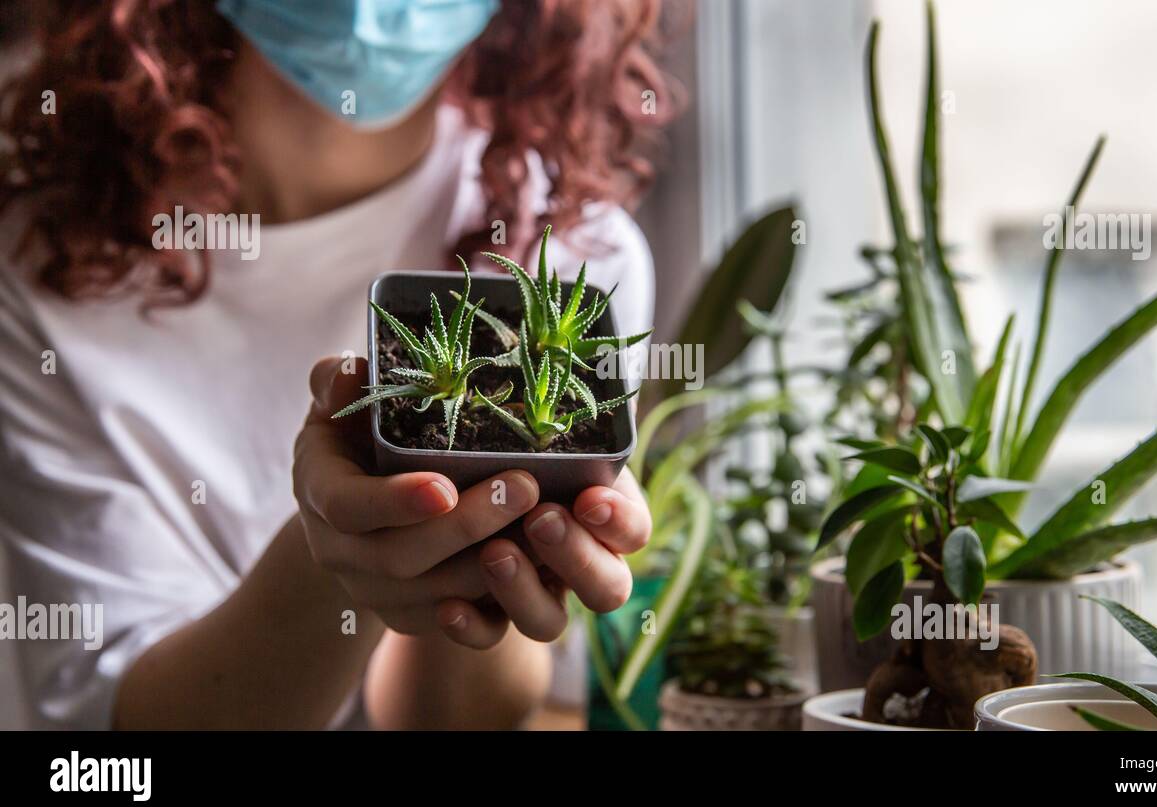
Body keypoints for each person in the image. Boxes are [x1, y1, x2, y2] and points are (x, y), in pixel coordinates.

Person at [0, 0, 673, 729]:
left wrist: (493, 541)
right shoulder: (46, 269)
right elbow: (125, 734)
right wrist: (338, 549)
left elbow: (449, 716)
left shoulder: (572, 250)